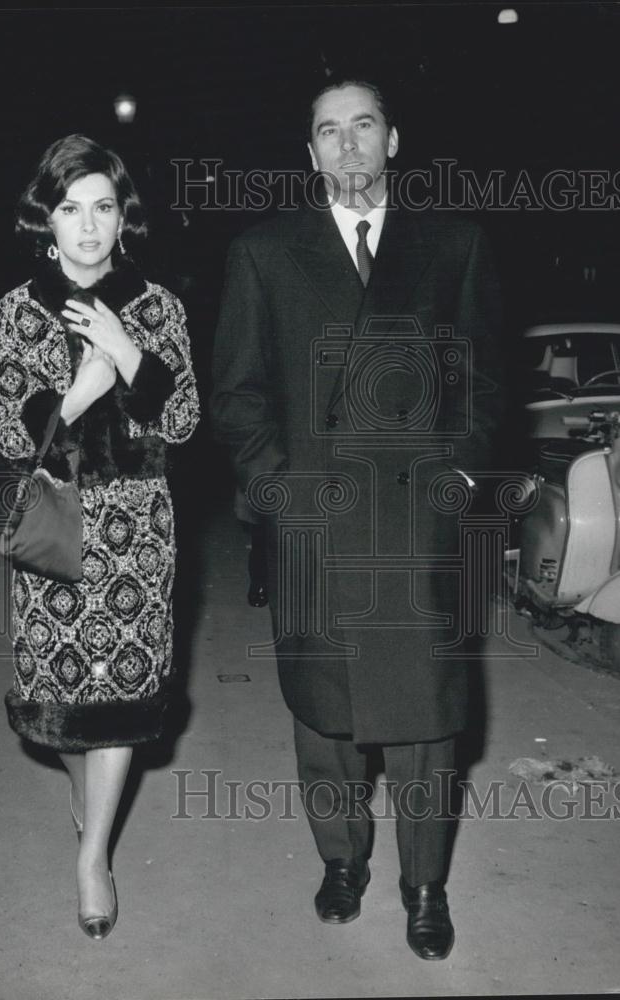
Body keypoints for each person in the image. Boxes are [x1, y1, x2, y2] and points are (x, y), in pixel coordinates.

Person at [211, 78, 504, 960]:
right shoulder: (262, 253)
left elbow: (484, 384)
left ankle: (425, 885)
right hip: (316, 522)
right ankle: (342, 860)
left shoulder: (453, 244)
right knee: (322, 713)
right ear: (309, 153)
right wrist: (277, 489)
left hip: (414, 528)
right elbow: (236, 393)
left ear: (393, 142)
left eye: (362, 126)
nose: (346, 146)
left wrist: (457, 474)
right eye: (327, 132)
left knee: (426, 720)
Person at [0, 135, 199, 940]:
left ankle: (92, 858)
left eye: (102, 207)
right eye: (70, 208)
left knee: (122, 693)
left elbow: (179, 421)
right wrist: (79, 391)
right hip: (57, 522)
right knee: (68, 693)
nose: (87, 227)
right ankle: (88, 802)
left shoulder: (159, 307)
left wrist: (125, 351)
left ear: (123, 217)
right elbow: (12, 434)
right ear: (45, 217)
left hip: (140, 529)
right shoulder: (15, 310)